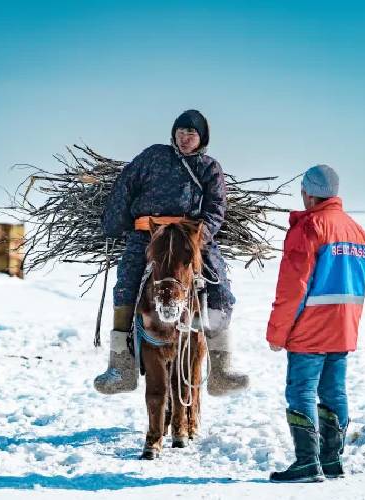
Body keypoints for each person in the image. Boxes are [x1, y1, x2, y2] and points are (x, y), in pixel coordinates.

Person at [93, 109, 249, 396]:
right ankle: (122, 367)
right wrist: (114, 223)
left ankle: (221, 368)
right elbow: (125, 185)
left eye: (191, 133)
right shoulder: (152, 156)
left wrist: (201, 237)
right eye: (181, 131)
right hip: (147, 234)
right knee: (126, 285)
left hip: (188, 237)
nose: (185, 137)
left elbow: (216, 207)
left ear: (202, 138)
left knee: (220, 288)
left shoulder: (208, 167)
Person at [266, 164, 365, 483]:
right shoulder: (356, 230)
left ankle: (307, 463)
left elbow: (292, 286)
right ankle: (331, 460)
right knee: (334, 391)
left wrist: (277, 332)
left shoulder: (310, 227)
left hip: (310, 327)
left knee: (301, 392)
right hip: (344, 326)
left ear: (308, 193)